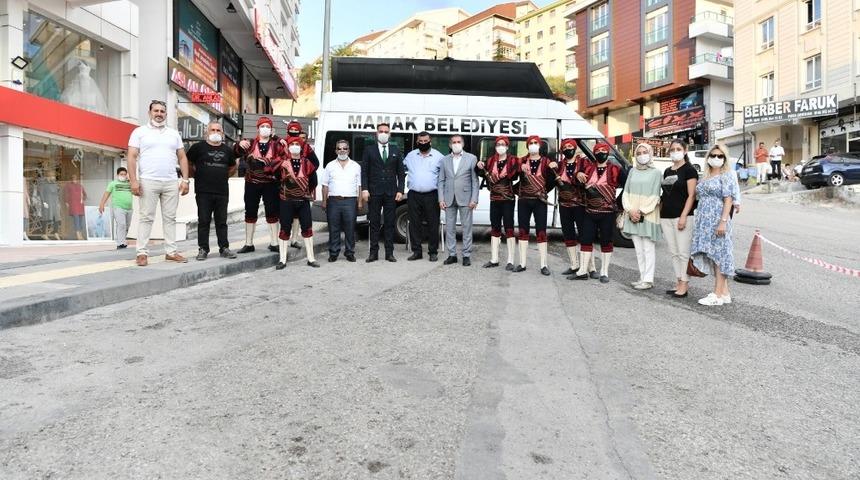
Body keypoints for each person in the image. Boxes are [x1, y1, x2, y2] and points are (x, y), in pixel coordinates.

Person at [128, 100, 190, 266]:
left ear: (166, 114)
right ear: (149, 113)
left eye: (162, 111)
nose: (159, 114)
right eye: (156, 111)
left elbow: (182, 157)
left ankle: (171, 252)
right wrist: (133, 180)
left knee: (170, 218)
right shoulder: (139, 132)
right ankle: (141, 253)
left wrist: (185, 180)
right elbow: (132, 156)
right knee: (146, 218)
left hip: (171, 181)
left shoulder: (173, 134)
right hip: (148, 181)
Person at [690, 143, 739, 306]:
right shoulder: (705, 175)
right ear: (708, 157)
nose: (716, 158)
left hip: (718, 219)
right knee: (711, 255)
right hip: (704, 221)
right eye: (713, 155)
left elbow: (728, 200)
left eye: (720, 156)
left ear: (724, 159)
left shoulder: (727, 175)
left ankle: (717, 295)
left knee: (719, 256)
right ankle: (725, 293)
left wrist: (723, 222)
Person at [571, 142, 622, 283]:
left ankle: (604, 272)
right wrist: (578, 174)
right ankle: (582, 271)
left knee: (606, 241)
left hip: (607, 213)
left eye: (603, 150)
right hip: (589, 211)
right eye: (597, 150)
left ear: (607, 152)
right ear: (594, 153)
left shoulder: (616, 169)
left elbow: (627, 187)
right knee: (585, 240)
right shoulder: (588, 168)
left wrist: (619, 205)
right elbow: (576, 184)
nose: (600, 152)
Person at [187, 120, 238, 261]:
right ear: (206, 133)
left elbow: (233, 167)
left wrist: (222, 176)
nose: (215, 133)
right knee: (203, 221)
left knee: (222, 221)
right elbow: (188, 163)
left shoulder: (227, 150)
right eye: (212, 130)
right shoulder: (197, 148)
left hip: (222, 191)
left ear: (222, 134)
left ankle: (224, 248)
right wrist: (194, 175)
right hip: (203, 191)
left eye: (218, 131)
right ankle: (203, 249)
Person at [234, 117, 283, 254]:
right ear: (258, 128)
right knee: (250, 211)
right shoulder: (249, 143)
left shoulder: (276, 144)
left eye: (268, 126)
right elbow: (236, 152)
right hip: (251, 183)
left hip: (270, 183)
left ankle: (274, 242)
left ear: (271, 129)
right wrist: (239, 143)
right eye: (263, 126)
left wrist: (270, 165)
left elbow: (284, 158)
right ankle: (248, 243)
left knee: (272, 212)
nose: (265, 128)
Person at [360, 123, 405, 263]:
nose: (383, 133)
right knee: (374, 222)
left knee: (390, 223)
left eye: (386, 131)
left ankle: (389, 253)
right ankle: (373, 253)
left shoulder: (396, 150)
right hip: (374, 192)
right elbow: (364, 172)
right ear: (376, 133)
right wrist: (365, 189)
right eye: (381, 131)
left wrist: (400, 190)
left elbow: (401, 173)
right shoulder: (369, 150)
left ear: (390, 134)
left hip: (391, 192)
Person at [622, 143, 663, 290]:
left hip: (648, 215)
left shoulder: (656, 173)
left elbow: (655, 196)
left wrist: (640, 211)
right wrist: (630, 210)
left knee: (648, 248)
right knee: (639, 249)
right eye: (638, 153)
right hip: (632, 214)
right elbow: (625, 192)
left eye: (645, 152)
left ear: (650, 153)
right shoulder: (632, 171)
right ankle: (642, 276)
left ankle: (648, 279)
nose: (642, 155)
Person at [660, 139, 698, 298]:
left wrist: (683, 216)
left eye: (678, 148)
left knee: (683, 252)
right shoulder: (667, 171)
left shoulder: (689, 170)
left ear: (685, 150)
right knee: (674, 252)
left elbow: (692, 195)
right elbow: (665, 195)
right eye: (672, 149)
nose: (675, 151)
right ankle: (678, 281)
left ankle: (684, 283)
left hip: (682, 217)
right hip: (666, 216)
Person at [514, 135, 556, 275]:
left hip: (539, 201)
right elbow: (511, 173)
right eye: (530, 143)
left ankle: (544, 265)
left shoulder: (546, 162)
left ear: (539, 146)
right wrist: (520, 166)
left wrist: (541, 192)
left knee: (541, 231)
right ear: (527, 146)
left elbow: (552, 181)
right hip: (524, 200)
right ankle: (522, 263)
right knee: (523, 230)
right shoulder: (521, 160)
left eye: (535, 143)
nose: (532, 145)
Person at [276, 136, 320, 269]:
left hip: (303, 201)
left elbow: (313, 181)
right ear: (288, 147)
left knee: (307, 228)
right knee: (284, 228)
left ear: (301, 147)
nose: (295, 146)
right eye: (292, 144)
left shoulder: (307, 163)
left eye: (297, 144)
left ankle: (311, 258)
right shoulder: (282, 163)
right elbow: (276, 179)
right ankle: (282, 260)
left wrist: (305, 192)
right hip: (286, 201)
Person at [476, 136, 519, 269]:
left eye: (503, 144)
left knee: (509, 227)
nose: (500, 146)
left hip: (508, 199)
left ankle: (510, 260)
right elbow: (482, 174)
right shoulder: (489, 161)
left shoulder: (513, 161)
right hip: (494, 199)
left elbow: (517, 177)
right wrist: (479, 166)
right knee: (495, 227)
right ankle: (494, 259)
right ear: (495, 147)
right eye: (498, 144)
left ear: (507, 146)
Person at [555, 138, 594, 276]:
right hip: (564, 205)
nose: (568, 149)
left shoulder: (584, 162)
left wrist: (581, 174)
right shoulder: (560, 165)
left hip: (580, 204)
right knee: (568, 234)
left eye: (570, 146)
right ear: (562, 150)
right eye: (565, 147)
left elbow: (591, 178)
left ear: (575, 147)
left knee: (585, 235)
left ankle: (591, 267)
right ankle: (574, 265)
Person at [438, 134, 479, 266]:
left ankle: (466, 255)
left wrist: (474, 199)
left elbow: (475, 181)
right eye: (453, 142)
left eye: (458, 141)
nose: (456, 144)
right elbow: (441, 181)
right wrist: (441, 199)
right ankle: (452, 255)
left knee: (467, 227)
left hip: (466, 198)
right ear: (450, 145)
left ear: (463, 143)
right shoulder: (444, 160)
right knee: (450, 228)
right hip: (449, 198)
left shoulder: (472, 159)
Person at [403, 131, 444, 262]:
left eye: (426, 141)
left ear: (430, 141)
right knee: (414, 224)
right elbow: (400, 168)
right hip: (414, 194)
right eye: (421, 141)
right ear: (417, 142)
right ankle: (417, 251)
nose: (423, 143)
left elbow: (444, 176)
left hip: (432, 195)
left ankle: (433, 252)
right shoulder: (410, 156)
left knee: (433, 223)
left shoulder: (439, 157)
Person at [322, 140, 362, 262]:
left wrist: (359, 202)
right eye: (339, 148)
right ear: (336, 151)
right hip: (333, 201)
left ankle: (349, 252)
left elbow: (359, 186)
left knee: (350, 228)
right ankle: (334, 253)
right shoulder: (330, 166)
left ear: (349, 150)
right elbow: (325, 185)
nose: (342, 151)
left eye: (345, 148)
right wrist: (324, 201)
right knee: (334, 228)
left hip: (350, 201)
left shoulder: (356, 166)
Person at [286, 121, 319, 250]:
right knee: (281, 215)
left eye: (297, 132)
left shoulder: (306, 148)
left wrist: (305, 170)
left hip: (302, 186)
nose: (294, 135)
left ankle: (294, 239)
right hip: (286, 187)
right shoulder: (282, 144)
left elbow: (316, 164)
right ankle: (280, 240)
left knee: (297, 216)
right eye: (291, 131)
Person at [98, 167, 133, 249]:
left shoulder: (129, 184)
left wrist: (130, 180)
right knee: (121, 224)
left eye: (125, 174)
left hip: (129, 208)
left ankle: (123, 240)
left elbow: (137, 189)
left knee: (127, 226)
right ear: (117, 175)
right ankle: (120, 243)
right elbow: (106, 194)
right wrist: (102, 204)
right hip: (118, 207)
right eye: (121, 174)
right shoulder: (113, 184)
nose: (123, 176)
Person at [64, 174, 87, 240]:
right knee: (76, 219)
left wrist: (83, 199)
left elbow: (85, 194)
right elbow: (66, 194)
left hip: (80, 205)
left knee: (80, 219)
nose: (74, 179)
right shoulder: (68, 186)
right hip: (73, 204)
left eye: (75, 178)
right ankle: (77, 234)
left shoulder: (80, 186)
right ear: (71, 178)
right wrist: (66, 202)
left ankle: (80, 233)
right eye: (73, 178)